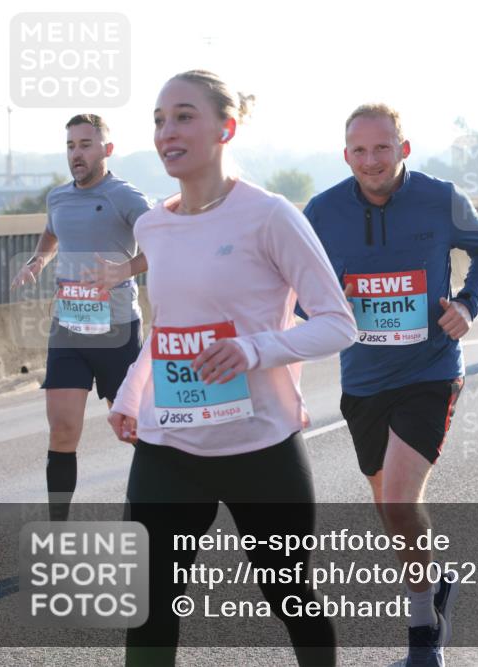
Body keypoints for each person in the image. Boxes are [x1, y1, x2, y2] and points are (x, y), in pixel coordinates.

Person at [107, 70, 356, 666]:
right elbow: (168, 330)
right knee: (148, 604)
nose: (168, 130)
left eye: (185, 116)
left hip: (260, 446)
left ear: (226, 127)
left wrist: (252, 349)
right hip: (169, 445)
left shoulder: (269, 215)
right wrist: (129, 394)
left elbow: (337, 322)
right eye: (160, 119)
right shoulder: (152, 226)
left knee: (290, 594)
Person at [304, 103, 478, 667]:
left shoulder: (440, 198)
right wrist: (319, 312)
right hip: (362, 379)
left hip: (430, 371)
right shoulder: (322, 211)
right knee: (391, 510)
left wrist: (468, 303)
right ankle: (435, 581)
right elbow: (293, 278)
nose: (372, 160)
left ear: (403, 149)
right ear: (347, 155)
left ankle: (422, 628)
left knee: (397, 500)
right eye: (360, 151)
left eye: (382, 148)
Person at [9, 114, 150, 522]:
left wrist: (124, 270)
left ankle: (154, 511)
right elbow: (53, 232)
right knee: (63, 430)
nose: (77, 153)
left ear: (107, 149)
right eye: (71, 145)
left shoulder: (126, 196)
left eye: (86, 144)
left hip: (117, 330)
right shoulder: (58, 198)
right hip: (68, 329)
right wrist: (37, 260)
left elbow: (163, 243)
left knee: (132, 429)